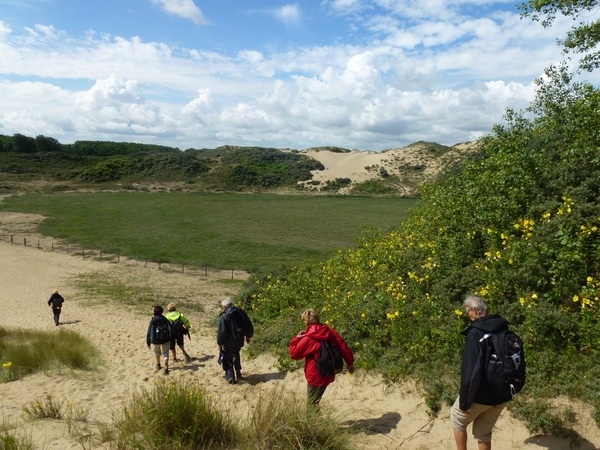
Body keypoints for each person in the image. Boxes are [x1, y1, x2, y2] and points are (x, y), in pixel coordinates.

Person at [450, 295, 512, 450]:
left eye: (468, 312)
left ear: (475, 311)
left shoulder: (476, 333)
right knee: (483, 433)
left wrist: (465, 401)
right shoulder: (503, 329)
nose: (468, 316)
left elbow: (471, 371)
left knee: (457, 419)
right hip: (503, 394)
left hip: (482, 394)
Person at [289, 309, 355, 406]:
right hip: (329, 371)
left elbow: (294, 354)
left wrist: (296, 339)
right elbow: (342, 345)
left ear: (306, 322)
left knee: (312, 404)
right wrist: (350, 363)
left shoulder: (309, 337)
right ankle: (316, 420)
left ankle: (313, 421)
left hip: (315, 374)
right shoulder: (329, 331)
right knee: (315, 402)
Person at [217, 298, 254, 384]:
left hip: (228, 342)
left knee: (227, 358)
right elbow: (249, 324)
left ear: (225, 307)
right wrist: (248, 336)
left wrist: (219, 343)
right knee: (236, 354)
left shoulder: (224, 316)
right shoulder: (240, 312)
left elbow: (222, 332)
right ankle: (238, 372)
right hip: (239, 340)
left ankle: (231, 379)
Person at [146, 305, 171, 375]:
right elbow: (169, 329)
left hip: (155, 340)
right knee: (165, 352)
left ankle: (158, 364)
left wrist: (148, 342)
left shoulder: (153, 320)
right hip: (165, 339)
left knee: (157, 352)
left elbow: (149, 331)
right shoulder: (165, 319)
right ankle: (166, 364)